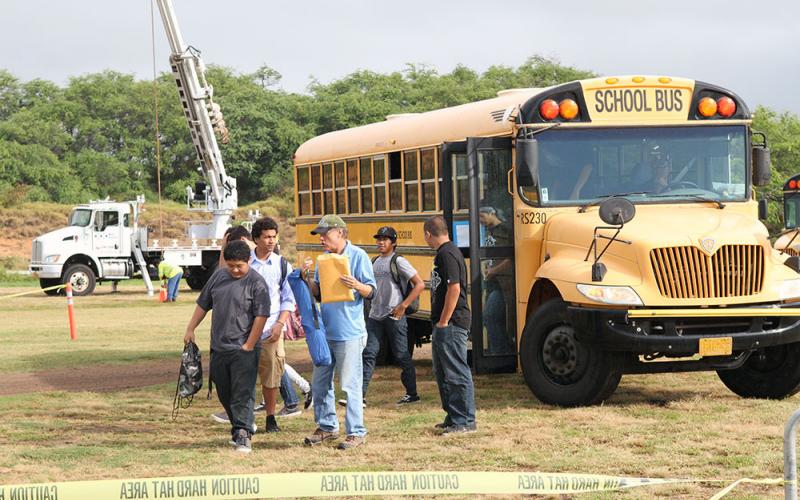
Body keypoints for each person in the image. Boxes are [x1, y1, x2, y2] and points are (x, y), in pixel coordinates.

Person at [183, 240, 270, 453]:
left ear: (249, 261)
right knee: (224, 392)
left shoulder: (257, 283)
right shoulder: (219, 277)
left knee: (242, 392)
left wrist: (249, 344)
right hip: (219, 347)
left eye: (239, 265)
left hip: (244, 349)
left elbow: (261, 316)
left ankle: (243, 434)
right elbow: (203, 304)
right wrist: (190, 328)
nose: (234, 270)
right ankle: (243, 425)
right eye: (230, 265)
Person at [301, 214, 376, 450]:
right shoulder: (323, 260)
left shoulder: (358, 256)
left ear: (341, 233)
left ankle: (356, 432)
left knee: (350, 384)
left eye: (325, 234)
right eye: (319, 235)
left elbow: (372, 292)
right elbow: (319, 294)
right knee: (321, 383)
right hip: (326, 332)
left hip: (350, 333)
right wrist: (305, 278)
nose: (321, 239)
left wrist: (356, 285)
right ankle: (326, 427)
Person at [360, 226, 425, 406]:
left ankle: (412, 393)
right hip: (375, 315)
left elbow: (419, 284)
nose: (381, 242)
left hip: (394, 315)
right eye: (379, 239)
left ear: (394, 242)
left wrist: (403, 306)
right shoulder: (373, 261)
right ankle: (360, 396)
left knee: (401, 355)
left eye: (385, 239)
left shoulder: (399, 261)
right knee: (369, 353)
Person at [423, 215, 476, 435]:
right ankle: (453, 416)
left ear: (428, 234)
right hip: (443, 323)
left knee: (455, 371)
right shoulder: (446, 253)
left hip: (452, 323)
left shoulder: (447, 253)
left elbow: (454, 288)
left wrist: (444, 320)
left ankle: (464, 421)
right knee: (442, 371)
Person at [248, 216, 296, 433]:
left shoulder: (282, 264)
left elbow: (288, 298)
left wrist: (280, 324)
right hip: (246, 329)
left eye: (274, 237)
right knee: (245, 375)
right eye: (266, 237)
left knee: (272, 375)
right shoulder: (244, 263)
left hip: (271, 329)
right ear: (256, 238)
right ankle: (246, 418)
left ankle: (270, 417)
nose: (271, 241)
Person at [478, 206, 515, 355]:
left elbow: (512, 258)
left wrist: (494, 271)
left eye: (482, 217)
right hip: (492, 282)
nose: (480, 221)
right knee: (493, 319)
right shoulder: (487, 231)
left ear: (492, 213)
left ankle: (501, 353)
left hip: (504, 283)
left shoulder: (507, 230)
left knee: (490, 317)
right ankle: (498, 352)